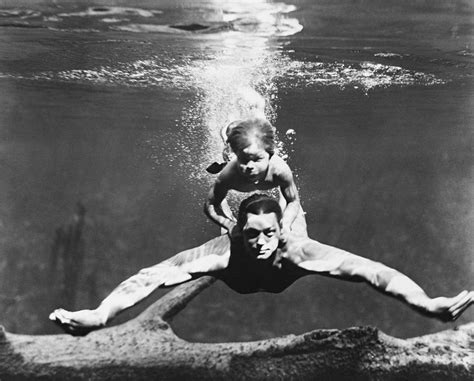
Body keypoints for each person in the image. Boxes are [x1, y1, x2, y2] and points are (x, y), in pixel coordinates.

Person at [50, 194, 474, 335]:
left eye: (269, 233)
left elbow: (375, 273)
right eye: (250, 233)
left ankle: (288, 195)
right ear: (237, 230)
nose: (260, 242)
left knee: (293, 210)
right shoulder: (222, 251)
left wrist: (425, 303)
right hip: (235, 274)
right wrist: (100, 313)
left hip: (288, 254)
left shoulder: (296, 249)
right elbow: (150, 279)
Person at [204, 117, 307, 238]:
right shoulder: (229, 175)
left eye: (257, 159)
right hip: (232, 160)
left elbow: (293, 200)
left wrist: (285, 223)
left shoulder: (280, 170)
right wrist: (230, 225)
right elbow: (210, 204)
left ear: (270, 155)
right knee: (228, 149)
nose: (250, 167)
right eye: (243, 159)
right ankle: (226, 137)